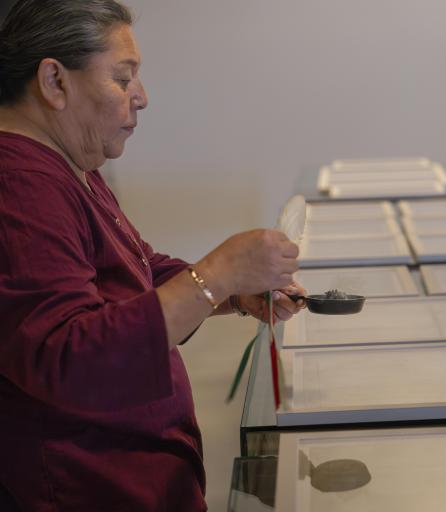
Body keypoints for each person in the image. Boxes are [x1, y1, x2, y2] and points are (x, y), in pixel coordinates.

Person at [0, 1, 305, 510]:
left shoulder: (70, 164)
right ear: (54, 81)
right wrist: (217, 272)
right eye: (123, 79)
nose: (141, 98)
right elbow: (69, 358)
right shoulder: (19, 184)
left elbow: (136, 271)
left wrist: (229, 291)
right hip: (85, 485)